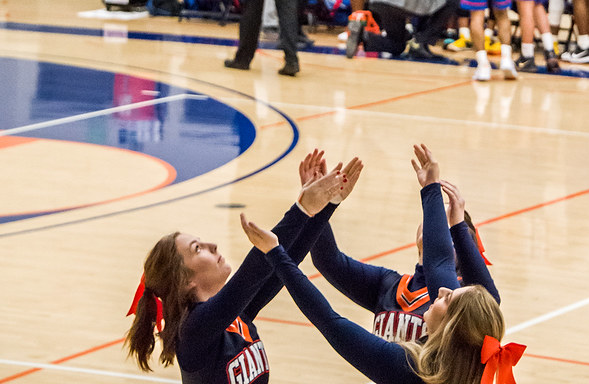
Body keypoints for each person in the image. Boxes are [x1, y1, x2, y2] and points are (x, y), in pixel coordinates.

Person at [240, 144, 525, 384]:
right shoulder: (399, 290)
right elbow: (329, 262)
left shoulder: (414, 367)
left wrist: (278, 252)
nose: (443, 291)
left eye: (448, 296)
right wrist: (320, 205)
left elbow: (331, 322)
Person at [125, 151, 362, 381]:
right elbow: (253, 270)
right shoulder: (194, 330)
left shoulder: (237, 314)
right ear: (186, 280)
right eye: (198, 248)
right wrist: (302, 209)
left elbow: (284, 258)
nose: (213, 245)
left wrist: (328, 203)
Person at [309, 173, 499, 343]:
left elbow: (489, 297)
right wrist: (317, 206)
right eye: (432, 217)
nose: (434, 224)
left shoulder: (463, 298)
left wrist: (459, 228)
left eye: (442, 222)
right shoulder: (388, 284)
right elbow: (327, 260)